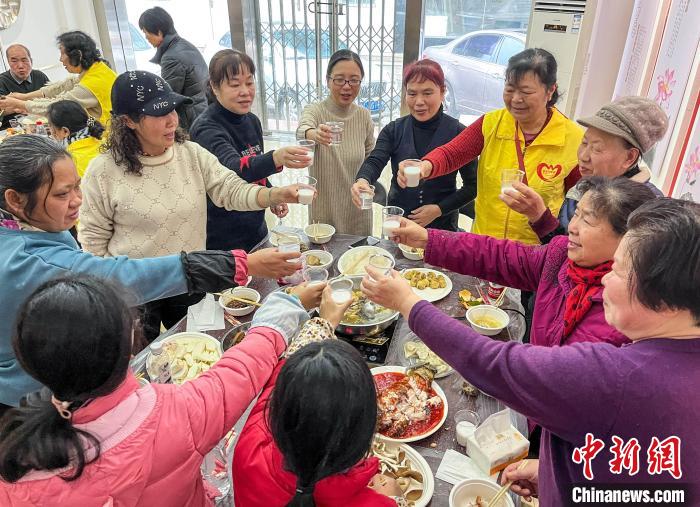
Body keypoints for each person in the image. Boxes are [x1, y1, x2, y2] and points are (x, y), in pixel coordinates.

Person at [362, 197, 700, 505]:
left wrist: (407, 302)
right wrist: (558, 474)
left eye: (620, 270)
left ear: (670, 299)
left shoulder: (621, 378)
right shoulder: (677, 359)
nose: (607, 279)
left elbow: (498, 364)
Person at [0, 134, 300, 411]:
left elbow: (227, 187)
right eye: (63, 194)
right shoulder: (30, 262)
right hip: (32, 397)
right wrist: (242, 264)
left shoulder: (31, 226)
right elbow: (117, 275)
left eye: (77, 187)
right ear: (15, 200)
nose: (78, 200)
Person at [0, 275, 309, 505]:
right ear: (132, 347)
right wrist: (283, 307)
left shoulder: (14, 458)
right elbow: (241, 371)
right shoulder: (174, 414)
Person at [78, 70, 307, 341]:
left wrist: (275, 195)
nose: (172, 120)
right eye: (159, 114)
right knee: (140, 361)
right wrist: (112, 292)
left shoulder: (190, 153)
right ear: (128, 121)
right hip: (135, 289)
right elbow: (93, 242)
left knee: (196, 347)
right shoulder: (103, 171)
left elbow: (229, 189)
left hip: (190, 276)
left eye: (173, 110)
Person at [233, 287, 406, 506]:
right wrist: (396, 498)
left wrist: (324, 321)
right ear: (366, 431)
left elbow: (281, 380)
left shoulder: (251, 444)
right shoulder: (378, 502)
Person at [396, 48, 582, 245]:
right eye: (509, 89)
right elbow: (452, 153)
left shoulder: (572, 139)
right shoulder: (492, 123)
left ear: (550, 90)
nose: (516, 99)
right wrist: (426, 166)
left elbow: (581, 205)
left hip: (532, 254)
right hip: (483, 247)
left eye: (526, 92)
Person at [502, 96, 669, 243]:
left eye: (596, 149)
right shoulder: (583, 188)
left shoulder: (647, 211)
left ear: (629, 158)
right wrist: (538, 215)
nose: (583, 156)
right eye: (584, 143)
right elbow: (562, 250)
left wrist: (540, 217)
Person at [190, 49, 312, 251]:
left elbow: (254, 165)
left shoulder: (252, 121)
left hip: (256, 230)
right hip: (223, 239)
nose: (245, 91)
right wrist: (276, 157)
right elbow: (234, 170)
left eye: (249, 82)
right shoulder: (206, 128)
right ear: (214, 86)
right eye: (235, 84)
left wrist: (271, 193)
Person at [352, 59, 476, 231]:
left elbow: (473, 186)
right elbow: (375, 161)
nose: (419, 101)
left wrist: (439, 210)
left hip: (442, 228)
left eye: (427, 93)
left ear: (442, 92)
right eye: (412, 93)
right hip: (399, 224)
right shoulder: (393, 130)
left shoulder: (459, 133)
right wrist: (362, 180)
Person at [297, 50, 375, 236]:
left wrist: (367, 183)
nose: (346, 86)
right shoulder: (316, 111)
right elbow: (302, 130)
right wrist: (314, 134)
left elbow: (373, 158)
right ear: (328, 80)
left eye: (354, 80)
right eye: (339, 79)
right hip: (325, 209)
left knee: (358, 260)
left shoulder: (364, 116)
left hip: (357, 210)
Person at [0, 31, 116, 129]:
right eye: (14, 61)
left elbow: (59, 105)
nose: (60, 59)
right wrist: (24, 97)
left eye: (62, 54)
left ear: (78, 55)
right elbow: (64, 85)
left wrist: (19, 103)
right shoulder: (97, 69)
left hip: (106, 134)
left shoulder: (93, 82)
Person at [139, 6, 208, 131]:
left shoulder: (171, 57)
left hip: (190, 119)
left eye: (146, 32)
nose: (146, 37)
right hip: (201, 110)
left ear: (159, 31)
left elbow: (167, 96)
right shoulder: (184, 45)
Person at [47, 100, 104, 178]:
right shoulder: (103, 143)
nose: (50, 131)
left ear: (65, 131)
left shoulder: (68, 161)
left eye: (50, 126)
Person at [0, 44, 50, 129]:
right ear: (8, 62)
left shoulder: (39, 75)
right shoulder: (2, 81)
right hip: (13, 130)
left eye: (24, 60)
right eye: (14, 61)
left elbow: (52, 99)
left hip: (42, 125)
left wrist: (17, 103)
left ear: (31, 61)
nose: (20, 66)